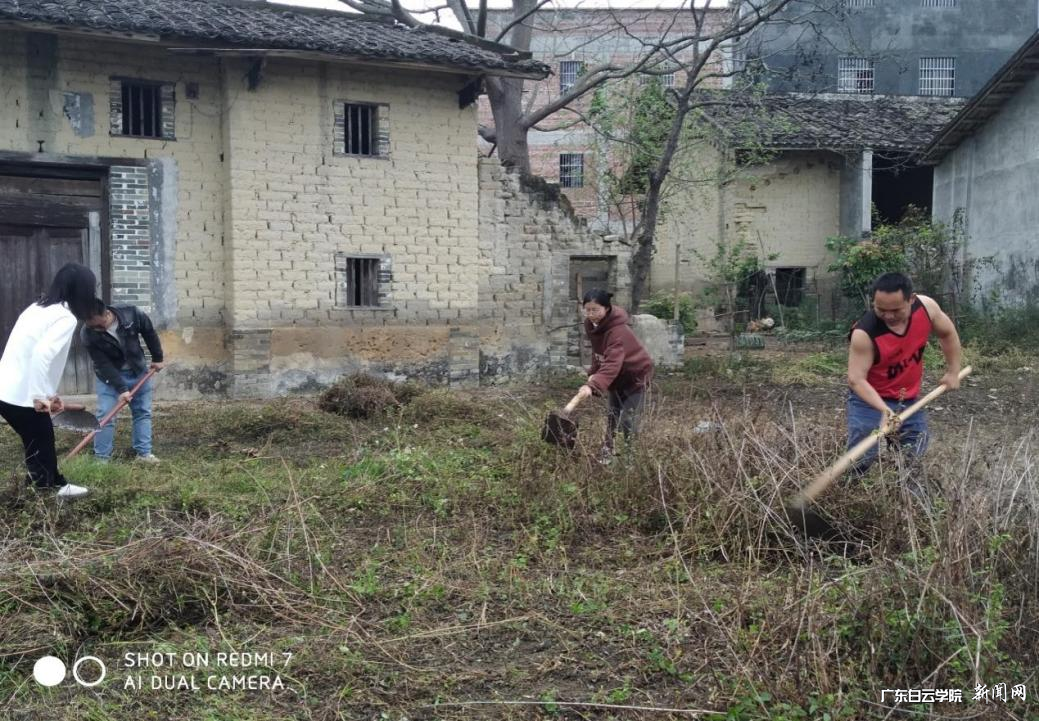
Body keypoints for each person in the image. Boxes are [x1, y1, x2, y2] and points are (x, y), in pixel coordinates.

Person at [846, 271, 962, 476]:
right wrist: (884, 411)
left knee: (914, 450)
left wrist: (953, 371)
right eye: (881, 309)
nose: (888, 316)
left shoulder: (926, 308)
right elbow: (856, 380)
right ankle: (850, 491)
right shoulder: (865, 333)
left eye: (896, 310)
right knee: (862, 452)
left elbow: (947, 333)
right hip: (869, 400)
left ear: (912, 299)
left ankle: (909, 498)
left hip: (907, 399)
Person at [0, 263, 98, 498]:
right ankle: (49, 489)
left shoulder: (36, 307)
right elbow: (40, 355)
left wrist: (49, 394)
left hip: (5, 389)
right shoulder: (65, 318)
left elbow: (29, 353)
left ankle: (43, 481)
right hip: (21, 395)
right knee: (41, 438)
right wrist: (38, 396)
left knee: (36, 439)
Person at [572, 289, 655, 463]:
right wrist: (594, 372)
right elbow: (599, 352)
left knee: (628, 420)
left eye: (595, 310)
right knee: (612, 415)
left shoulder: (618, 331)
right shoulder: (591, 325)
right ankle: (607, 451)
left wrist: (593, 385)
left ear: (607, 308)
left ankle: (631, 458)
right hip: (616, 377)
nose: (591, 314)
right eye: (587, 310)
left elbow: (612, 364)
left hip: (635, 376)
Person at [81, 299, 165, 464]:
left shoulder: (131, 313)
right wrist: (121, 388)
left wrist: (158, 358)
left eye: (99, 325)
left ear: (107, 314)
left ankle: (144, 454)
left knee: (142, 412)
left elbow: (149, 331)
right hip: (109, 378)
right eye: (92, 327)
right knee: (105, 415)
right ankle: (102, 459)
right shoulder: (87, 333)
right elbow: (102, 364)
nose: (97, 329)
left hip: (138, 371)